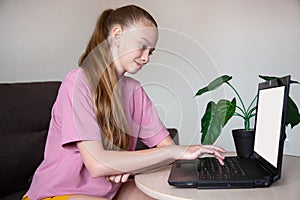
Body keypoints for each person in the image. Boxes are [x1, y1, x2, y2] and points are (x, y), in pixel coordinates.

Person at [23, 5, 226, 200]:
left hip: (111, 192)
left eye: (151, 52)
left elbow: (168, 152)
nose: (146, 57)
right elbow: (97, 164)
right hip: (56, 194)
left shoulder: (134, 91)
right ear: (117, 35)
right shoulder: (77, 83)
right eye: (142, 46)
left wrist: (129, 165)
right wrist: (166, 153)